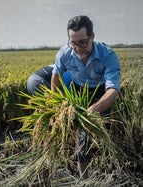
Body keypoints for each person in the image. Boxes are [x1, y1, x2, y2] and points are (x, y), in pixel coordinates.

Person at [51, 15, 121, 179]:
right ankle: (85, 180)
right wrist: (56, 102)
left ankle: (107, 167)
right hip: (77, 90)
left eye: (83, 42)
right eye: (73, 42)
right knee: (82, 140)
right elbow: (56, 75)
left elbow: (113, 91)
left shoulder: (108, 55)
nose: (78, 48)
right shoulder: (65, 53)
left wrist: (92, 110)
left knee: (99, 135)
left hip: (100, 93)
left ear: (92, 37)